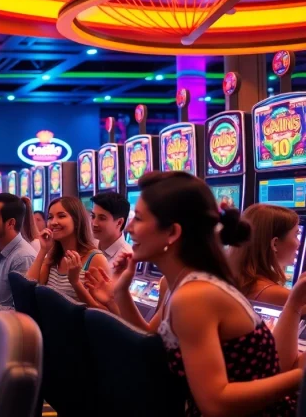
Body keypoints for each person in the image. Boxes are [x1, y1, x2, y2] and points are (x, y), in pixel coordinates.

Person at [84, 171, 303, 416]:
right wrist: (120, 292)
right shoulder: (183, 285)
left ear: (172, 233)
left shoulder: (196, 295)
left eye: (140, 218)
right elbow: (152, 339)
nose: (130, 228)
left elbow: (216, 403)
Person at [25, 196, 107, 305]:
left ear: (77, 221)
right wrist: (43, 250)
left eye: (61, 216)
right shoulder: (54, 256)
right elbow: (28, 289)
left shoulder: (95, 259)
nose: (53, 222)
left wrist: (75, 282)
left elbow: (105, 315)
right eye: (50, 217)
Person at [232, 203, 301, 306]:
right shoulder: (277, 294)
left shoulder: (232, 277)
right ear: (275, 244)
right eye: (296, 235)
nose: (299, 243)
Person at [91, 192, 132, 264]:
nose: (94, 223)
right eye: (93, 216)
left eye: (102, 218)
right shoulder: (89, 247)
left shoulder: (127, 259)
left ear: (119, 222)